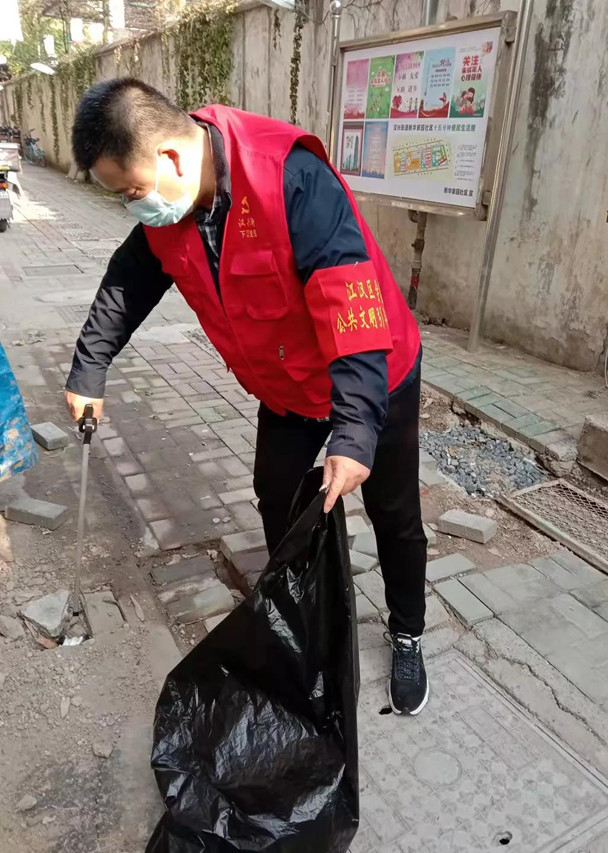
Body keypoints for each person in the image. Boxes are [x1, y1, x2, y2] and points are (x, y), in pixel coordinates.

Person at [65, 78, 428, 715]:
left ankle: (407, 634)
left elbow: (348, 300)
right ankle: (297, 620)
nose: (132, 207)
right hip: (287, 387)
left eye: (131, 192)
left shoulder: (289, 178)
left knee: (393, 513)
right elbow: (128, 283)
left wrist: (354, 432)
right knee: (278, 498)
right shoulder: (172, 211)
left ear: (170, 158)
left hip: (374, 372)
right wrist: (88, 369)